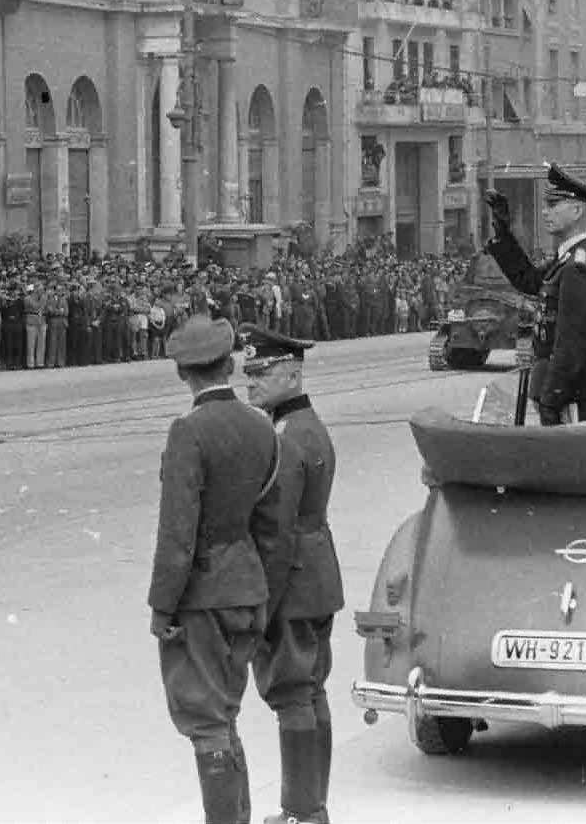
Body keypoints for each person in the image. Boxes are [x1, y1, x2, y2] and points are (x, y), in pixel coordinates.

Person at [148, 314, 287, 824]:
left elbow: (177, 533)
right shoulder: (262, 426)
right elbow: (271, 524)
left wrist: (162, 607)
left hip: (202, 597)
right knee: (225, 714)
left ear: (182, 373)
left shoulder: (188, 431)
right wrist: (264, 592)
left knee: (206, 721)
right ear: (229, 364)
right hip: (248, 587)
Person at [239, 324, 343, 824]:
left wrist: (263, 604)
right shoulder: (308, 427)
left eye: (262, 373)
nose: (250, 382)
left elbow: (276, 532)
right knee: (311, 691)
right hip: (317, 574)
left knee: (292, 694)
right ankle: (312, 808)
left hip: (292, 582)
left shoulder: (286, 438)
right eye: (249, 372)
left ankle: (301, 811)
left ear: (292, 375)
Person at [484, 164, 586, 425]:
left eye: (553, 205)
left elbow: (571, 341)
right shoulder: (569, 257)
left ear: (576, 211)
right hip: (567, 388)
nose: (545, 211)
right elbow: (530, 281)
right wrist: (504, 234)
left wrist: (552, 397)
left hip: (575, 393)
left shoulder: (579, 264)